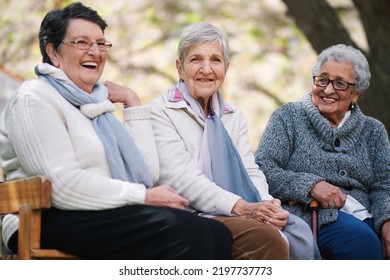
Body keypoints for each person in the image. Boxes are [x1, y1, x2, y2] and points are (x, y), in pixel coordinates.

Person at [0, 2, 233, 260]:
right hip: (45, 217)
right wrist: (142, 196)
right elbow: (61, 186)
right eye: (81, 42)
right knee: (186, 229)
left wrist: (133, 103)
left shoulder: (95, 104)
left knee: (217, 234)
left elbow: (146, 172)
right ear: (53, 52)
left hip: (102, 210)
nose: (95, 52)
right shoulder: (35, 98)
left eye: (101, 44)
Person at [109, 22, 319, 259]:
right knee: (266, 239)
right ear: (180, 67)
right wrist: (243, 207)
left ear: (226, 68)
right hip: (191, 213)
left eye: (215, 60)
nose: (206, 69)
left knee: (296, 232)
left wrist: (266, 205)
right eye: (196, 59)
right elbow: (183, 180)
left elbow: (249, 169)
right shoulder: (161, 111)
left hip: (238, 208)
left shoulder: (233, 115)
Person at [255, 44, 390, 260]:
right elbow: (263, 169)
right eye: (323, 80)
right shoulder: (289, 117)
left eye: (339, 83)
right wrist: (311, 186)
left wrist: (387, 221)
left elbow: (384, 186)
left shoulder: (373, 130)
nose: (327, 90)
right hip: (312, 214)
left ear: (355, 94)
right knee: (359, 242)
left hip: (366, 215)